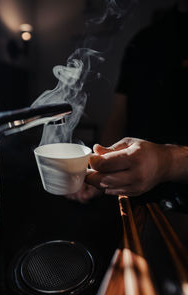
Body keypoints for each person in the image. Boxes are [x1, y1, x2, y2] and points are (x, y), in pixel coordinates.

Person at [67, 0, 188, 202]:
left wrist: (166, 161)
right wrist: (99, 170)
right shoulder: (144, 40)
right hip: (135, 195)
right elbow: (118, 115)